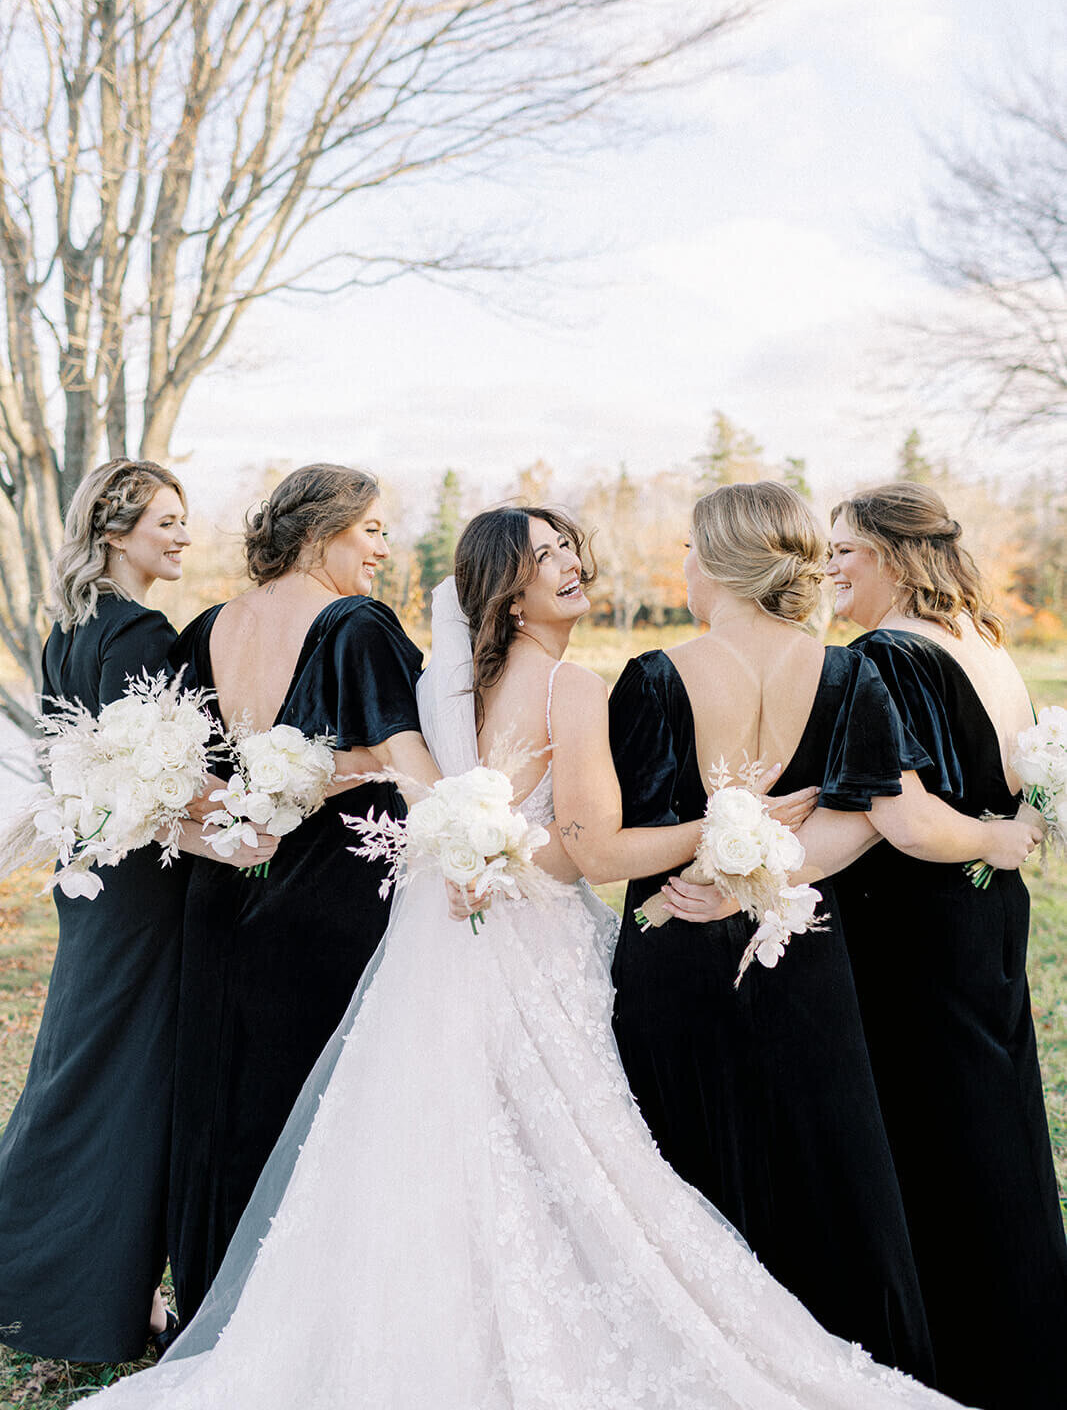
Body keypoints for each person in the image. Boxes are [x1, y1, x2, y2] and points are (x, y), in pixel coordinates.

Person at [78, 515, 969, 1410]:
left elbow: (425, 796)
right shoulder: (573, 686)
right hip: (532, 940)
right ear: (507, 587)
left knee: (437, 1134)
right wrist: (733, 821)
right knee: (565, 1141)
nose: (571, 562)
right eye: (544, 556)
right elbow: (586, 847)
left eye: (570, 545)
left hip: (438, 944)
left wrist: (474, 861)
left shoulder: (445, 685)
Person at [603, 481, 1037, 1383]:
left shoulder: (653, 675)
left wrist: (719, 875)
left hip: (675, 943)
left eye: (687, 548)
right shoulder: (848, 672)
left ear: (717, 562)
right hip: (809, 939)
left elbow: (611, 844)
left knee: (682, 1154)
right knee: (827, 1162)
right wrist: (762, 873)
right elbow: (865, 818)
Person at [0, 459, 272, 1365]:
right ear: (115, 532)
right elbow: (157, 775)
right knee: (126, 1085)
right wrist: (241, 816)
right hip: (145, 888)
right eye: (165, 521)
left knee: (77, 1068)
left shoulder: (67, 630)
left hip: (94, 879)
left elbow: (76, 761)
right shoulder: (142, 630)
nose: (183, 536)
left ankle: (52, 1279)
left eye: (184, 519)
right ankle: (78, 1299)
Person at [166, 464, 437, 1328]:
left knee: (227, 1097)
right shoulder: (355, 625)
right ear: (322, 533)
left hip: (220, 892)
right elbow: (404, 754)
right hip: (330, 894)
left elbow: (182, 777)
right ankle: (312, 1317)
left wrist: (240, 813)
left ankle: (222, 1301)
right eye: (372, 531)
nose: (384, 549)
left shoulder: (208, 625)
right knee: (327, 1096)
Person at [824, 482, 1067, 1410]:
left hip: (919, 920)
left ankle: (963, 1357)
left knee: (932, 1133)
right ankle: (1028, 1342)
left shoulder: (883, 657)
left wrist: (990, 839)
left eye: (843, 548)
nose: (829, 566)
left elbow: (912, 819)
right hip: (989, 914)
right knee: (995, 1122)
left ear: (889, 554)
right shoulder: (986, 642)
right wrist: (1006, 840)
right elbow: (1020, 778)